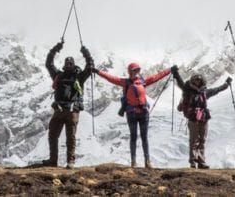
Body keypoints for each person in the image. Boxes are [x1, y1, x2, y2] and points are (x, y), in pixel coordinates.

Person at [95, 62, 171, 168]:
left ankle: (147, 162)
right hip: (133, 114)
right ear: (130, 71)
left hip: (142, 113)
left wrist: (169, 70)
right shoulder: (125, 82)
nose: (137, 72)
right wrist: (98, 72)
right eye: (134, 70)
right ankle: (134, 162)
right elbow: (110, 78)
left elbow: (156, 77)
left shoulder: (142, 81)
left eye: (138, 70)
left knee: (144, 138)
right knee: (134, 137)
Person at [43, 40, 94, 168]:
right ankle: (54, 160)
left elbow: (90, 66)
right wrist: (56, 48)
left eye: (70, 63)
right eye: (67, 63)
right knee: (54, 135)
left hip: (71, 110)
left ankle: (69, 161)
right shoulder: (59, 75)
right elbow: (48, 63)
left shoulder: (78, 76)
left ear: (73, 65)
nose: (69, 64)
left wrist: (85, 52)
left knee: (69, 137)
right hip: (61, 109)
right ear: (65, 65)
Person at [171, 65, 232, 169]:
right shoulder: (187, 91)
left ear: (202, 82)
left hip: (203, 118)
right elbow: (180, 82)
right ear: (192, 81)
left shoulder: (205, 92)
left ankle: (201, 161)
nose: (197, 82)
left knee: (202, 140)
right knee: (194, 140)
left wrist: (226, 84)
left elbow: (217, 89)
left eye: (199, 81)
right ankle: (193, 161)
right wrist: (175, 73)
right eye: (196, 81)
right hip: (193, 118)